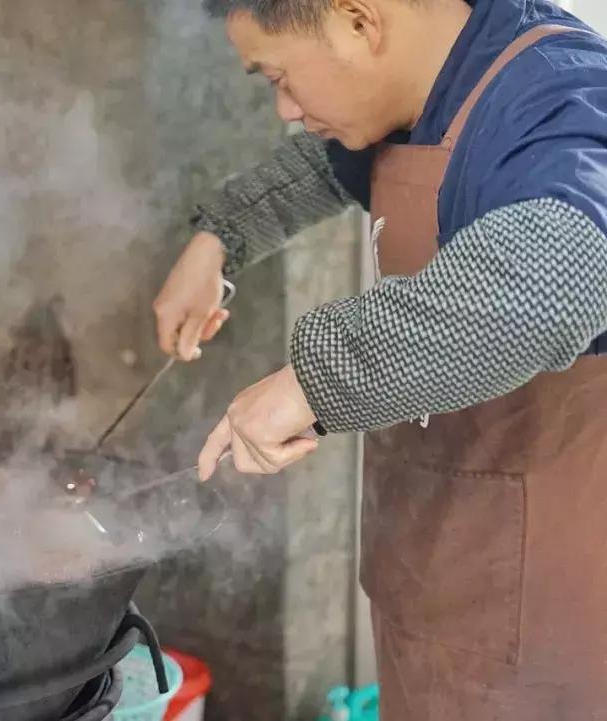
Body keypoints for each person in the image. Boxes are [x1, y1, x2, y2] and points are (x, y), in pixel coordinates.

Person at [154, 0, 607, 717]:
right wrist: (220, 238)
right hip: (423, 583)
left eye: (279, 76)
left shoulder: (560, 102)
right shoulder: (414, 88)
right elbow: (324, 163)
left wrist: (313, 378)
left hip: (546, 642)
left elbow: (551, 284)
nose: (285, 109)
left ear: (359, 20)